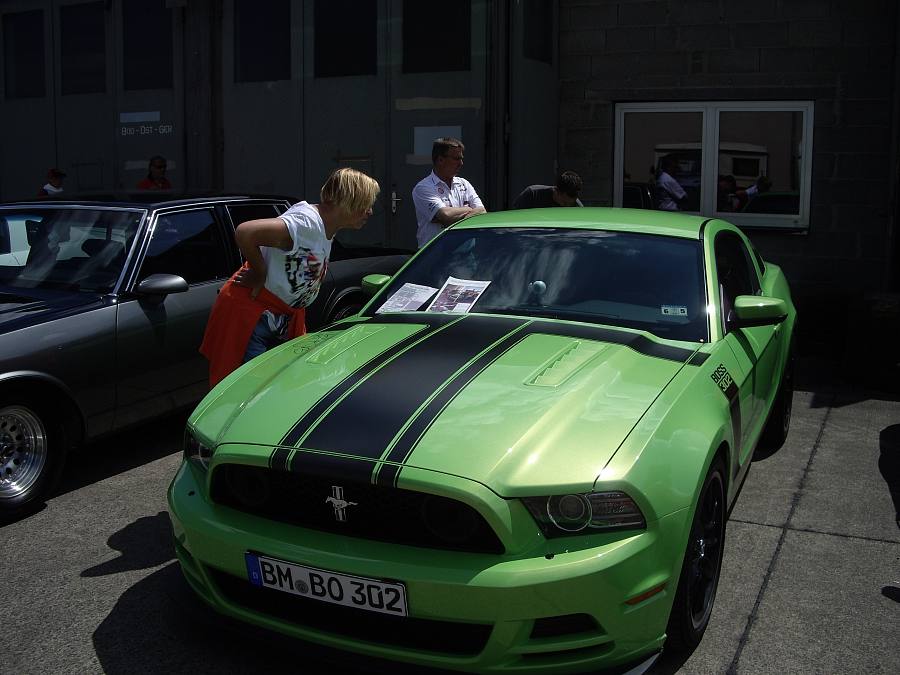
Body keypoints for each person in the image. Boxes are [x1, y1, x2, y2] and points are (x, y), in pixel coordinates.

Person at [199, 167, 380, 387]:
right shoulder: (306, 223)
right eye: (365, 203)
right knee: (255, 391)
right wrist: (259, 272)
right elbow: (246, 232)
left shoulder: (324, 228)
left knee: (278, 388)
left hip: (277, 319)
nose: (370, 211)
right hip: (254, 316)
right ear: (347, 199)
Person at [412, 137, 486, 248]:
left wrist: (451, 218)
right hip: (435, 252)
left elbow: (482, 211)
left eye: (461, 159)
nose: (461, 163)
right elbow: (445, 215)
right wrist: (469, 210)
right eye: (456, 159)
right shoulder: (423, 188)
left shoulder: (464, 184)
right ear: (440, 160)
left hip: (465, 252)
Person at [512, 170, 583, 209]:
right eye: (564, 203)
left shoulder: (577, 207)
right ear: (556, 191)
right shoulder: (533, 195)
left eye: (570, 204)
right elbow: (514, 219)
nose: (567, 207)